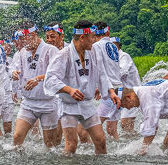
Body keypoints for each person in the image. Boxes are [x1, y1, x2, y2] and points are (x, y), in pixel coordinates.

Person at [44, 20, 120, 154]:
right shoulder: (64, 54)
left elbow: (102, 74)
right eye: (92, 37)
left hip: (87, 104)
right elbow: (50, 79)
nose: (94, 40)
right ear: (82, 37)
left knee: (101, 141)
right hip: (69, 106)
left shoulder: (93, 51)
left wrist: (111, 92)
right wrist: (69, 90)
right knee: (71, 146)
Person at [11, 23, 61, 148]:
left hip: (48, 103)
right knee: (17, 137)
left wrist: (38, 79)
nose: (21, 43)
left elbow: (57, 75)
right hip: (28, 103)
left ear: (33, 35)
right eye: (19, 39)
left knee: (50, 145)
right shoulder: (23, 52)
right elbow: (15, 69)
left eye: (23, 39)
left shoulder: (51, 50)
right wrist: (14, 73)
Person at [92, 21, 123, 136]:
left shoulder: (96, 46)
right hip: (119, 90)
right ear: (108, 32)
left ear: (94, 34)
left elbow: (99, 69)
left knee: (93, 127)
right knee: (111, 130)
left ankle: (93, 152)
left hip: (111, 93)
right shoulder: (113, 45)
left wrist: (97, 86)